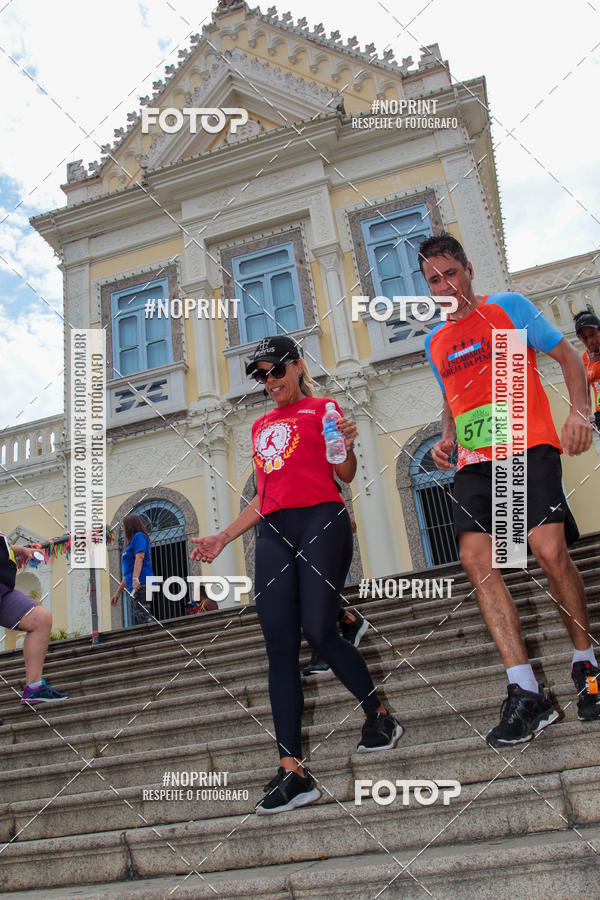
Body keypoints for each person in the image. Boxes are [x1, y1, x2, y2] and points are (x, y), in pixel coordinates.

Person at [191, 335, 402, 814]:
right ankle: (293, 770)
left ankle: (378, 713)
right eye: (261, 376)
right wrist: (224, 537)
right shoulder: (261, 425)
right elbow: (265, 496)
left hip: (321, 519)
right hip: (273, 530)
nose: (270, 383)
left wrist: (345, 444)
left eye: (275, 371)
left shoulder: (324, 407)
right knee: (279, 646)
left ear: (297, 366)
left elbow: (344, 473)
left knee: (319, 632)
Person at [419, 232, 597, 748]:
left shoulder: (508, 310)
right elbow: (454, 398)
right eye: (434, 279)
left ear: (469, 269)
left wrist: (580, 412)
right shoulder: (436, 343)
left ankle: (586, 666)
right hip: (476, 461)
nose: (445, 285)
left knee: (548, 550)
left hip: (525, 443)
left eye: (451, 273)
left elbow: (565, 357)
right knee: (477, 559)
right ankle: (526, 691)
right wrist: (447, 439)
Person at [0, 533, 68, 707]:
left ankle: (34, 688)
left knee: (40, 619)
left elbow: (3, 548)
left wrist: (22, 550)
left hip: (5, 588)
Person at [111, 515, 155, 625]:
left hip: (142, 582)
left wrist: (136, 579)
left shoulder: (139, 536)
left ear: (129, 526)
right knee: (141, 616)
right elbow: (128, 574)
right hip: (135, 584)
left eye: (123, 526)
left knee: (144, 617)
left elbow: (139, 557)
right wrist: (118, 593)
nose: (122, 529)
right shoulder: (130, 543)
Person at [574, 309, 600, 432]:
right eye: (584, 338)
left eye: (593, 334)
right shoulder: (585, 357)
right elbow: (586, 391)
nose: (590, 341)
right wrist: (588, 414)